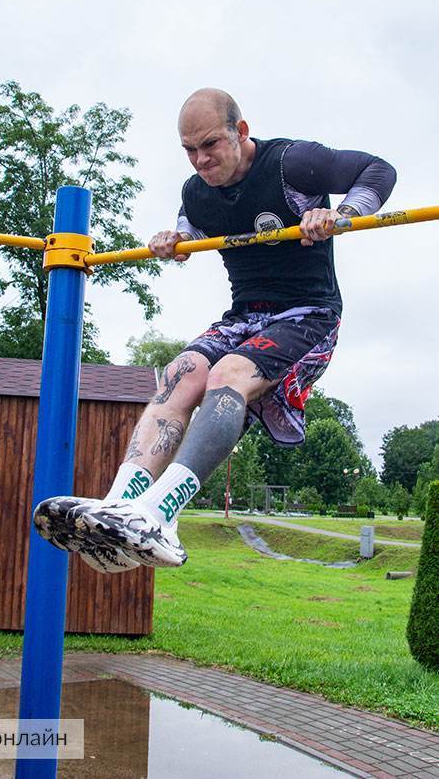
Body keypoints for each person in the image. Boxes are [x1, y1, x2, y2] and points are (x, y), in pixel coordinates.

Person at [33, 87, 396, 573]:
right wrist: (174, 240)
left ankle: (162, 513)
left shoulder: (292, 163)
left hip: (308, 314)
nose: (200, 160)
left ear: (240, 132)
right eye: (189, 150)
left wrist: (341, 213)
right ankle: (121, 505)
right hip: (244, 314)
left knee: (227, 374)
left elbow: (378, 170)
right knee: (181, 373)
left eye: (210, 145)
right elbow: (190, 230)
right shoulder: (196, 190)